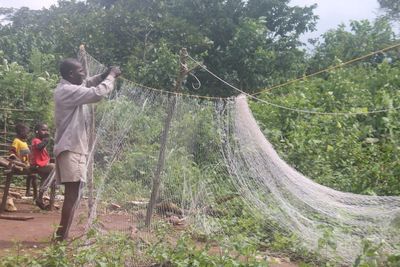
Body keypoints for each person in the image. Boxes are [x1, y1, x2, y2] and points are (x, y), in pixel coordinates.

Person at [54, 58, 121, 241]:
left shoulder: (69, 86)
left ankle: (62, 234)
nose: (84, 74)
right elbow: (97, 93)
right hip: (71, 149)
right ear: (70, 74)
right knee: (72, 194)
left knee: (74, 193)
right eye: (81, 71)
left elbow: (87, 82)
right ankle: (61, 236)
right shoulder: (67, 91)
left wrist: (103, 74)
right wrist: (111, 77)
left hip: (73, 148)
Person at [30, 122, 55, 210]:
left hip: (43, 165)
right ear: (37, 131)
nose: (46, 132)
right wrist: (46, 140)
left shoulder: (41, 141)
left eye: (47, 130)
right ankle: (49, 186)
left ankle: (39, 198)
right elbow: (39, 147)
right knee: (54, 168)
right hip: (38, 166)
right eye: (43, 130)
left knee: (45, 178)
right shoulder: (36, 141)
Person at [9, 123, 33, 196]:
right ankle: (30, 192)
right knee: (33, 175)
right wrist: (19, 162)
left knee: (32, 175)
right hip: (20, 165)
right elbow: (12, 153)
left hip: (26, 164)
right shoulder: (16, 141)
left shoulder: (24, 142)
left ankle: (29, 191)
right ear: (21, 132)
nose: (28, 135)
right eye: (27, 133)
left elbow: (26, 155)